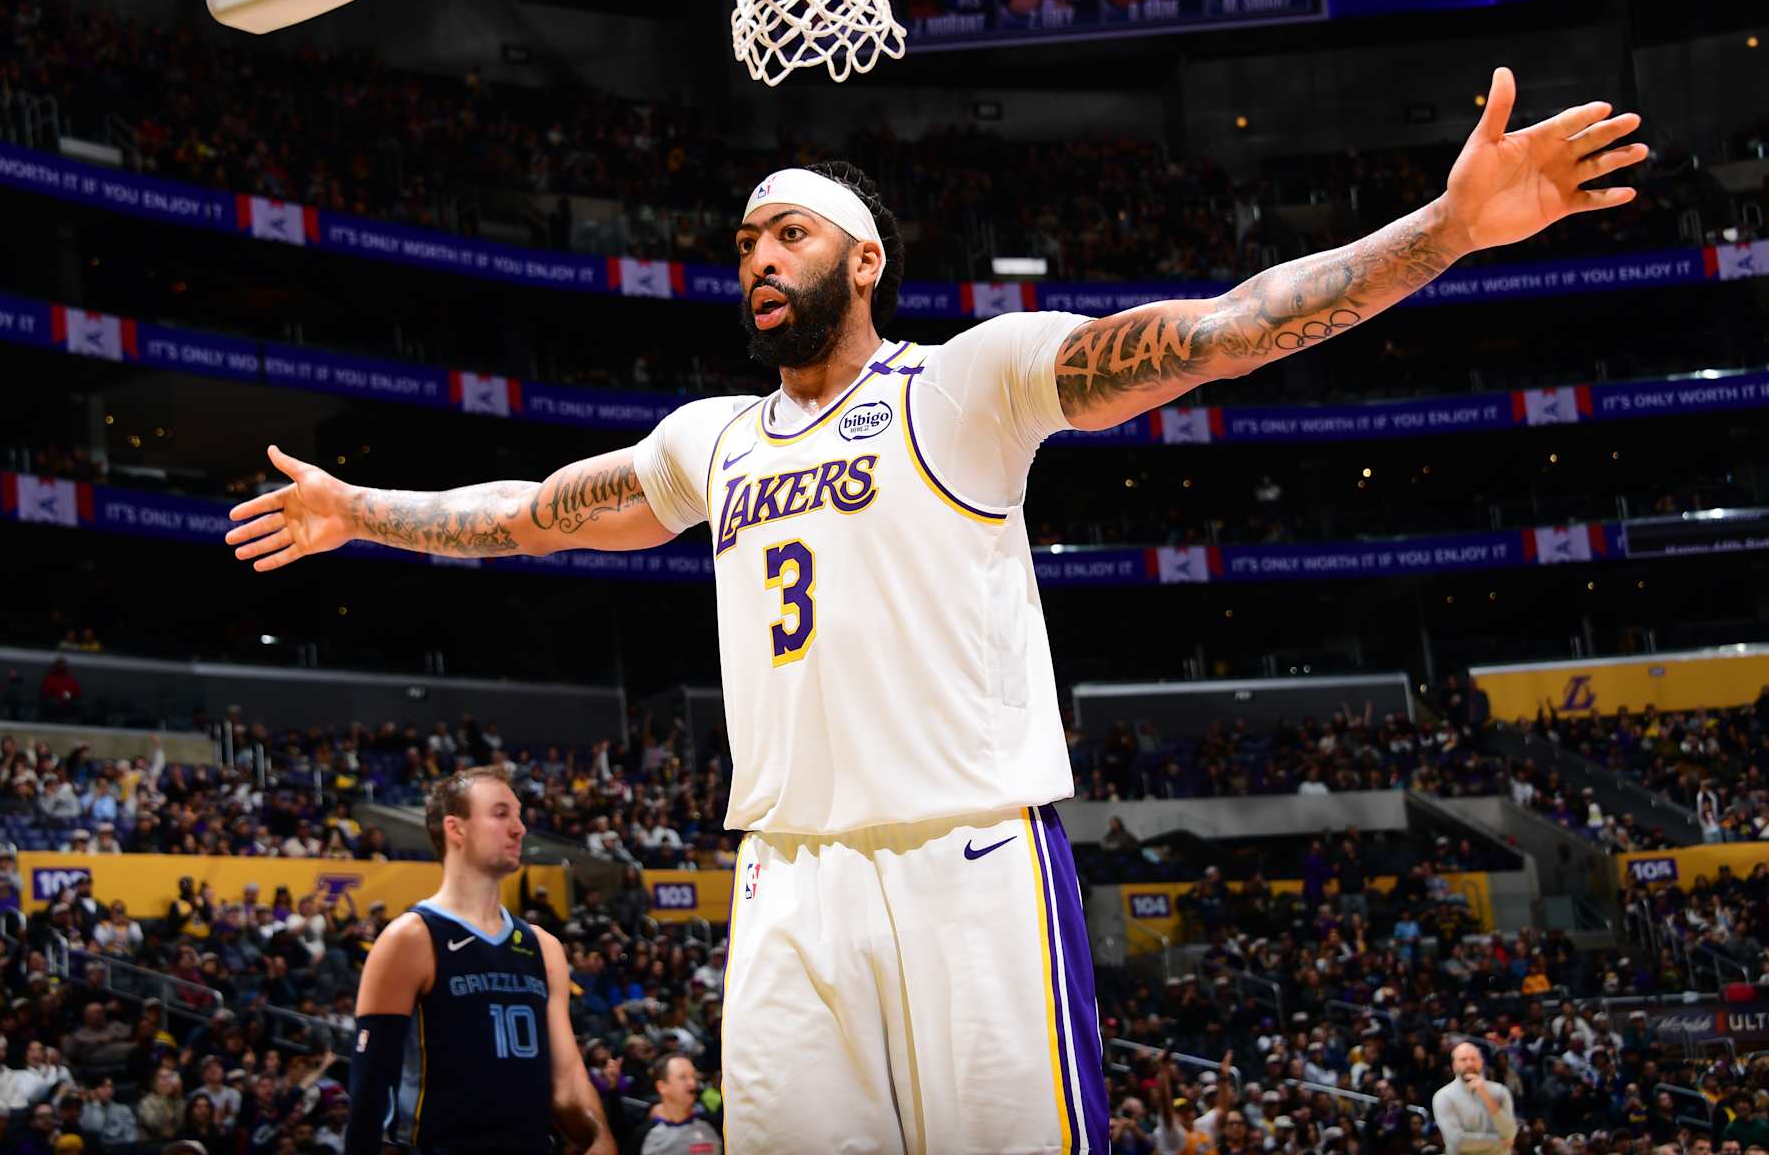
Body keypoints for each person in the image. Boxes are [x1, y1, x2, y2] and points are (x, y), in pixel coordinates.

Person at [229, 70, 1646, 1153]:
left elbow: (1227, 330)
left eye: (788, 233)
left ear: (862, 260)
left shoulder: (963, 384)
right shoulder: (707, 441)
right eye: (741, 242)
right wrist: (365, 513)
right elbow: (528, 513)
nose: (756, 257)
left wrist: (1450, 229)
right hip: (788, 878)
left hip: (969, 863)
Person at [342, 767, 613, 1154]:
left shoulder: (543, 946)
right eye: (501, 814)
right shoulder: (411, 938)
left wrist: (600, 1136)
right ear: (456, 829)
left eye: (519, 815)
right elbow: (369, 1091)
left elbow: (567, 1077)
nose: (520, 828)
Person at [1433, 1042, 1519, 1155]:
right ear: (1454, 1065)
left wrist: (1486, 1096)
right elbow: (1457, 1141)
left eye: (1473, 1059)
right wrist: (1499, 1142)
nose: (1469, 1063)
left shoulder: (1500, 1091)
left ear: (1481, 1062)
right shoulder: (1443, 1096)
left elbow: (1510, 1133)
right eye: (1463, 1059)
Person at [637, 1055, 721, 1155]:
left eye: (694, 1076)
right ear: (662, 1087)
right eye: (683, 1077)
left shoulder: (714, 1126)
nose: (692, 1083)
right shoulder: (644, 1135)